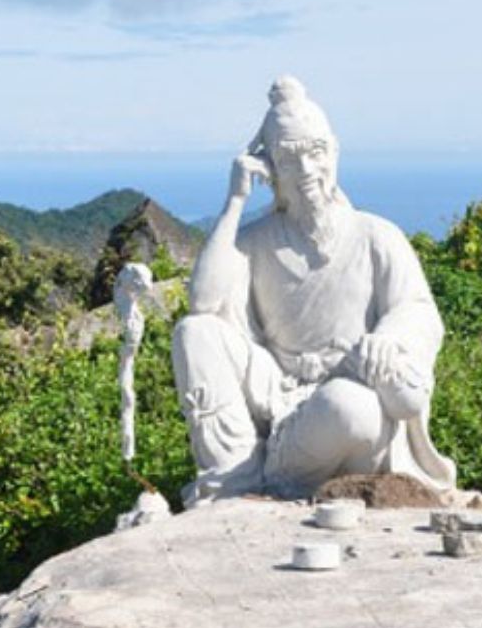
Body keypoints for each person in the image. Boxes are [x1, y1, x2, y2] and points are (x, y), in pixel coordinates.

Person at [172, 77, 458, 505]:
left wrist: (388, 341)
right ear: (269, 169)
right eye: (288, 159)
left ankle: (285, 471)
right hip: (280, 395)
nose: (306, 171)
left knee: (350, 407)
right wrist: (234, 200)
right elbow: (204, 302)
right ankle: (235, 478)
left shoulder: (376, 236)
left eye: (316, 153)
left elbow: (417, 311)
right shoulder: (254, 241)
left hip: (351, 396)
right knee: (194, 332)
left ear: (334, 153)